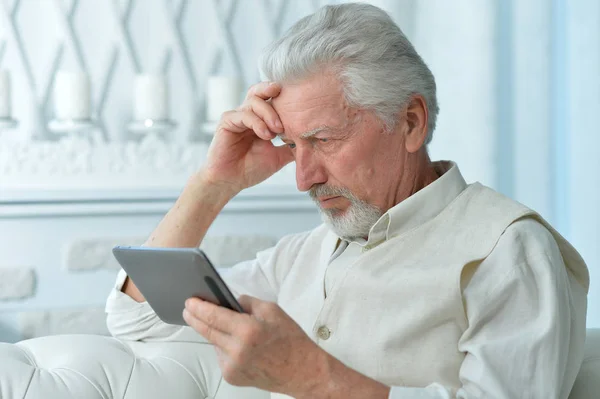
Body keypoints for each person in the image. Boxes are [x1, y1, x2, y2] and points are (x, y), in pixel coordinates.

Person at [105, 3, 589, 398]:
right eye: (293, 145)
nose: (303, 178)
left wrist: (318, 379)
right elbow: (136, 319)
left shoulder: (510, 252)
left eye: (324, 139)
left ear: (411, 122)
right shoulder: (301, 255)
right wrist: (213, 184)